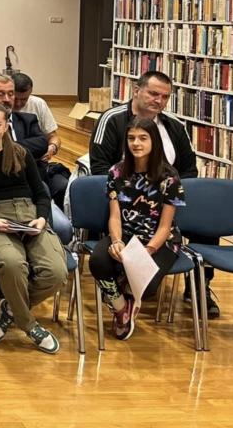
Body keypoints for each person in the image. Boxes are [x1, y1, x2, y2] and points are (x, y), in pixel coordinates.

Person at [90, 70, 216, 316]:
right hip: (125, 203)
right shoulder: (113, 119)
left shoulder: (175, 126)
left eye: (165, 97)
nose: (159, 101)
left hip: (168, 200)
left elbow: (190, 169)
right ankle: (124, 286)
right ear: (137, 91)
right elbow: (99, 169)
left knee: (208, 223)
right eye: (153, 93)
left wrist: (169, 194)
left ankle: (200, 288)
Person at [0, 103, 68, 354]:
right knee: (12, 264)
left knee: (56, 272)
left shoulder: (20, 153)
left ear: (6, 126)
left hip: (29, 216)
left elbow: (41, 194)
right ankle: (30, 326)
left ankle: (10, 309)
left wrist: (41, 219)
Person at [89, 118, 186, 341]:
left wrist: (148, 250)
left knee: (147, 286)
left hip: (159, 240)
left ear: (154, 142)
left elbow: (165, 225)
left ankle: (126, 287)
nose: (136, 143)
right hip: (126, 234)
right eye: (131, 138)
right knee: (97, 261)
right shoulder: (116, 172)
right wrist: (116, 241)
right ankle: (121, 307)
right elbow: (115, 216)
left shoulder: (170, 176)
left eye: (143, 138)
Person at [12, 73, 62, 165]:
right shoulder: (2, 104)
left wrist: (52, 148)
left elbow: (53, 136)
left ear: (31, 92)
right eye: (15, 99)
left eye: (24, 99)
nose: (18, 104)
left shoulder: (38, 103)